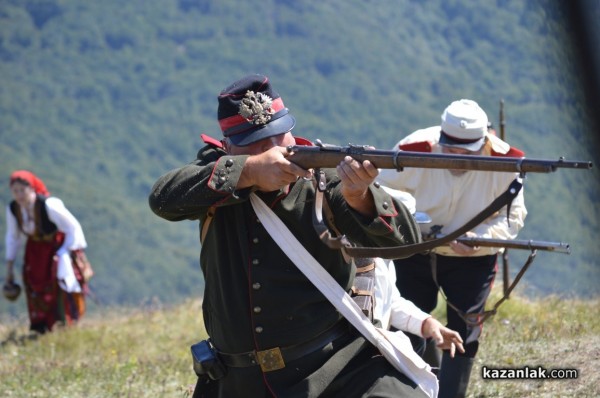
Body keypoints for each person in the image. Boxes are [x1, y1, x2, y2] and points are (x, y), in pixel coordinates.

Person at [149, 74, 455, 397]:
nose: (272, 148)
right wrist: (250, 170)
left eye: (278, 135)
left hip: (338, 368)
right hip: (239, 383)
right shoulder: (220, 175)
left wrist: (359, 197)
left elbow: (404, 242)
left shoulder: (323, 179)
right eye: (255, 142)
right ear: (227, 147)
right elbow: (163, 198)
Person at [377, 99, 527, 398]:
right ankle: (419, 388)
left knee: (466, 326)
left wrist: (479, 237)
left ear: (485, 140)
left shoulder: (504, 159)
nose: (457, 157)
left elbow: (513, 217)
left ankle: (451, 394)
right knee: (410, 319)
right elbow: (381, 190)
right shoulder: (414, 148)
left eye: (466, 153)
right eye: (451, 150)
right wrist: (411, 224)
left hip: (473, 258)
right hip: (416, 250)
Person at [4, 170, 88, 333]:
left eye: (23, 190)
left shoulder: (49, 205)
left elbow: (73, 227)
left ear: (32, 189)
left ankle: (64, 324)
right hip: (35, 251)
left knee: (58, 286)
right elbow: (13, 237)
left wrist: (65, 251)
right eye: (15, 191)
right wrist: (9, 266)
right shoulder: (14, 209)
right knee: (35, 285)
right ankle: (41, 326)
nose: (19, 195)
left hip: (56, 248)